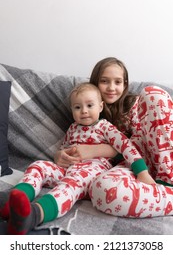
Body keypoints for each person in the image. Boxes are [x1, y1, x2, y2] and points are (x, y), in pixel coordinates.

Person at [0, 82, 154, 234]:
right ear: (72, 110)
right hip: (67, 168)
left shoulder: (105, 127)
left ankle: (33, 215)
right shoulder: (73, 128)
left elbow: (126, 146)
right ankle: (13, 202)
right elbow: (64, 149)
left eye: (89, 105)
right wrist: (60, 155)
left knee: (69, 184)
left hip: (90, 174)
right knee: (39, 166)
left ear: (100, 107)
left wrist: (142, 172)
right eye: (78, 107)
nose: (84, 111)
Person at [55, 57, 173, 218]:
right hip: (132, 170)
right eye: (104, 81)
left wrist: (99, 149)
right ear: (95, 82)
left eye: (118, 82)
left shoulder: (135, 105)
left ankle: (168, 179)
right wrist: (60, 155)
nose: (111, 88)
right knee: (101, 188)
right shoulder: (85, 112)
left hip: (159, 159)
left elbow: (142, 142)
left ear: (125, 85)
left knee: (152, 93)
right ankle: (165, 195)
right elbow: (71, 145)